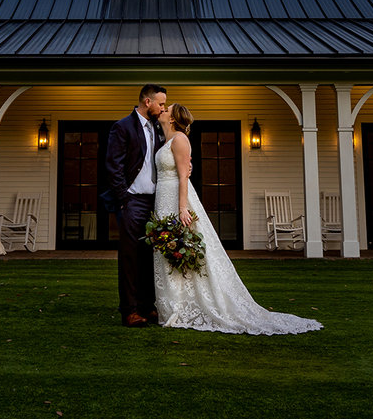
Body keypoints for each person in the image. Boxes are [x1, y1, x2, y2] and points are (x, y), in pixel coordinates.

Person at [152, 104, 321, 335]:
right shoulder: (165, 140)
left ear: (173, 118)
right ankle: (171, 304)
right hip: (162, 199)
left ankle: (182, 306)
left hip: (176, 199)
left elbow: (183, 176)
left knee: (183, 248)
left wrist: (182, 208)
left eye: (166, 108)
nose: (162, 110)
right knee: (168, 250)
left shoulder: (180, 139)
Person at [103, 84, 167, 327]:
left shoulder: (158, 128)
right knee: (130, 258)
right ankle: (129, 310)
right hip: (132, 201)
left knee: (151, 256)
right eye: (160, 104)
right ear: (147, 102)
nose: (163, 108)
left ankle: (146, 306)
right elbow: (113, 166)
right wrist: (124, 199)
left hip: (155, 201)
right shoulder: (122, 127)